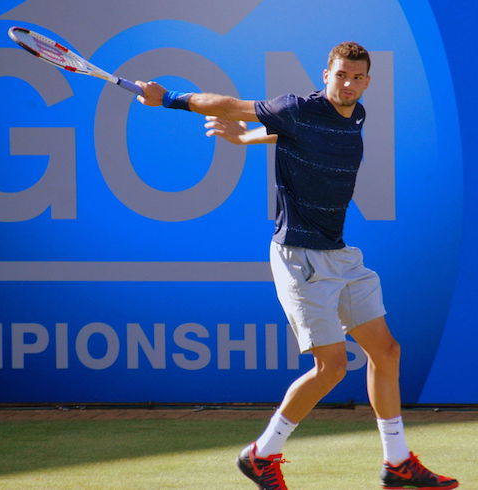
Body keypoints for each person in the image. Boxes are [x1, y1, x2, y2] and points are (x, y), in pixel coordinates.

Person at [135, 41, 458, 490]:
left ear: (368, 81)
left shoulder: (356, 114)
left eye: (357, 77)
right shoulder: (295, 108)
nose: (348, 84)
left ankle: (397, 462)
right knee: (332, 367)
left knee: (386, 352)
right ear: (325, 73)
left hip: (340, 254)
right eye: (341, 75)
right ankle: (261, 454)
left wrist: (247, 139)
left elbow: (288, 136)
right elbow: (230, 104)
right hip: (299, 256)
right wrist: (169, 98)